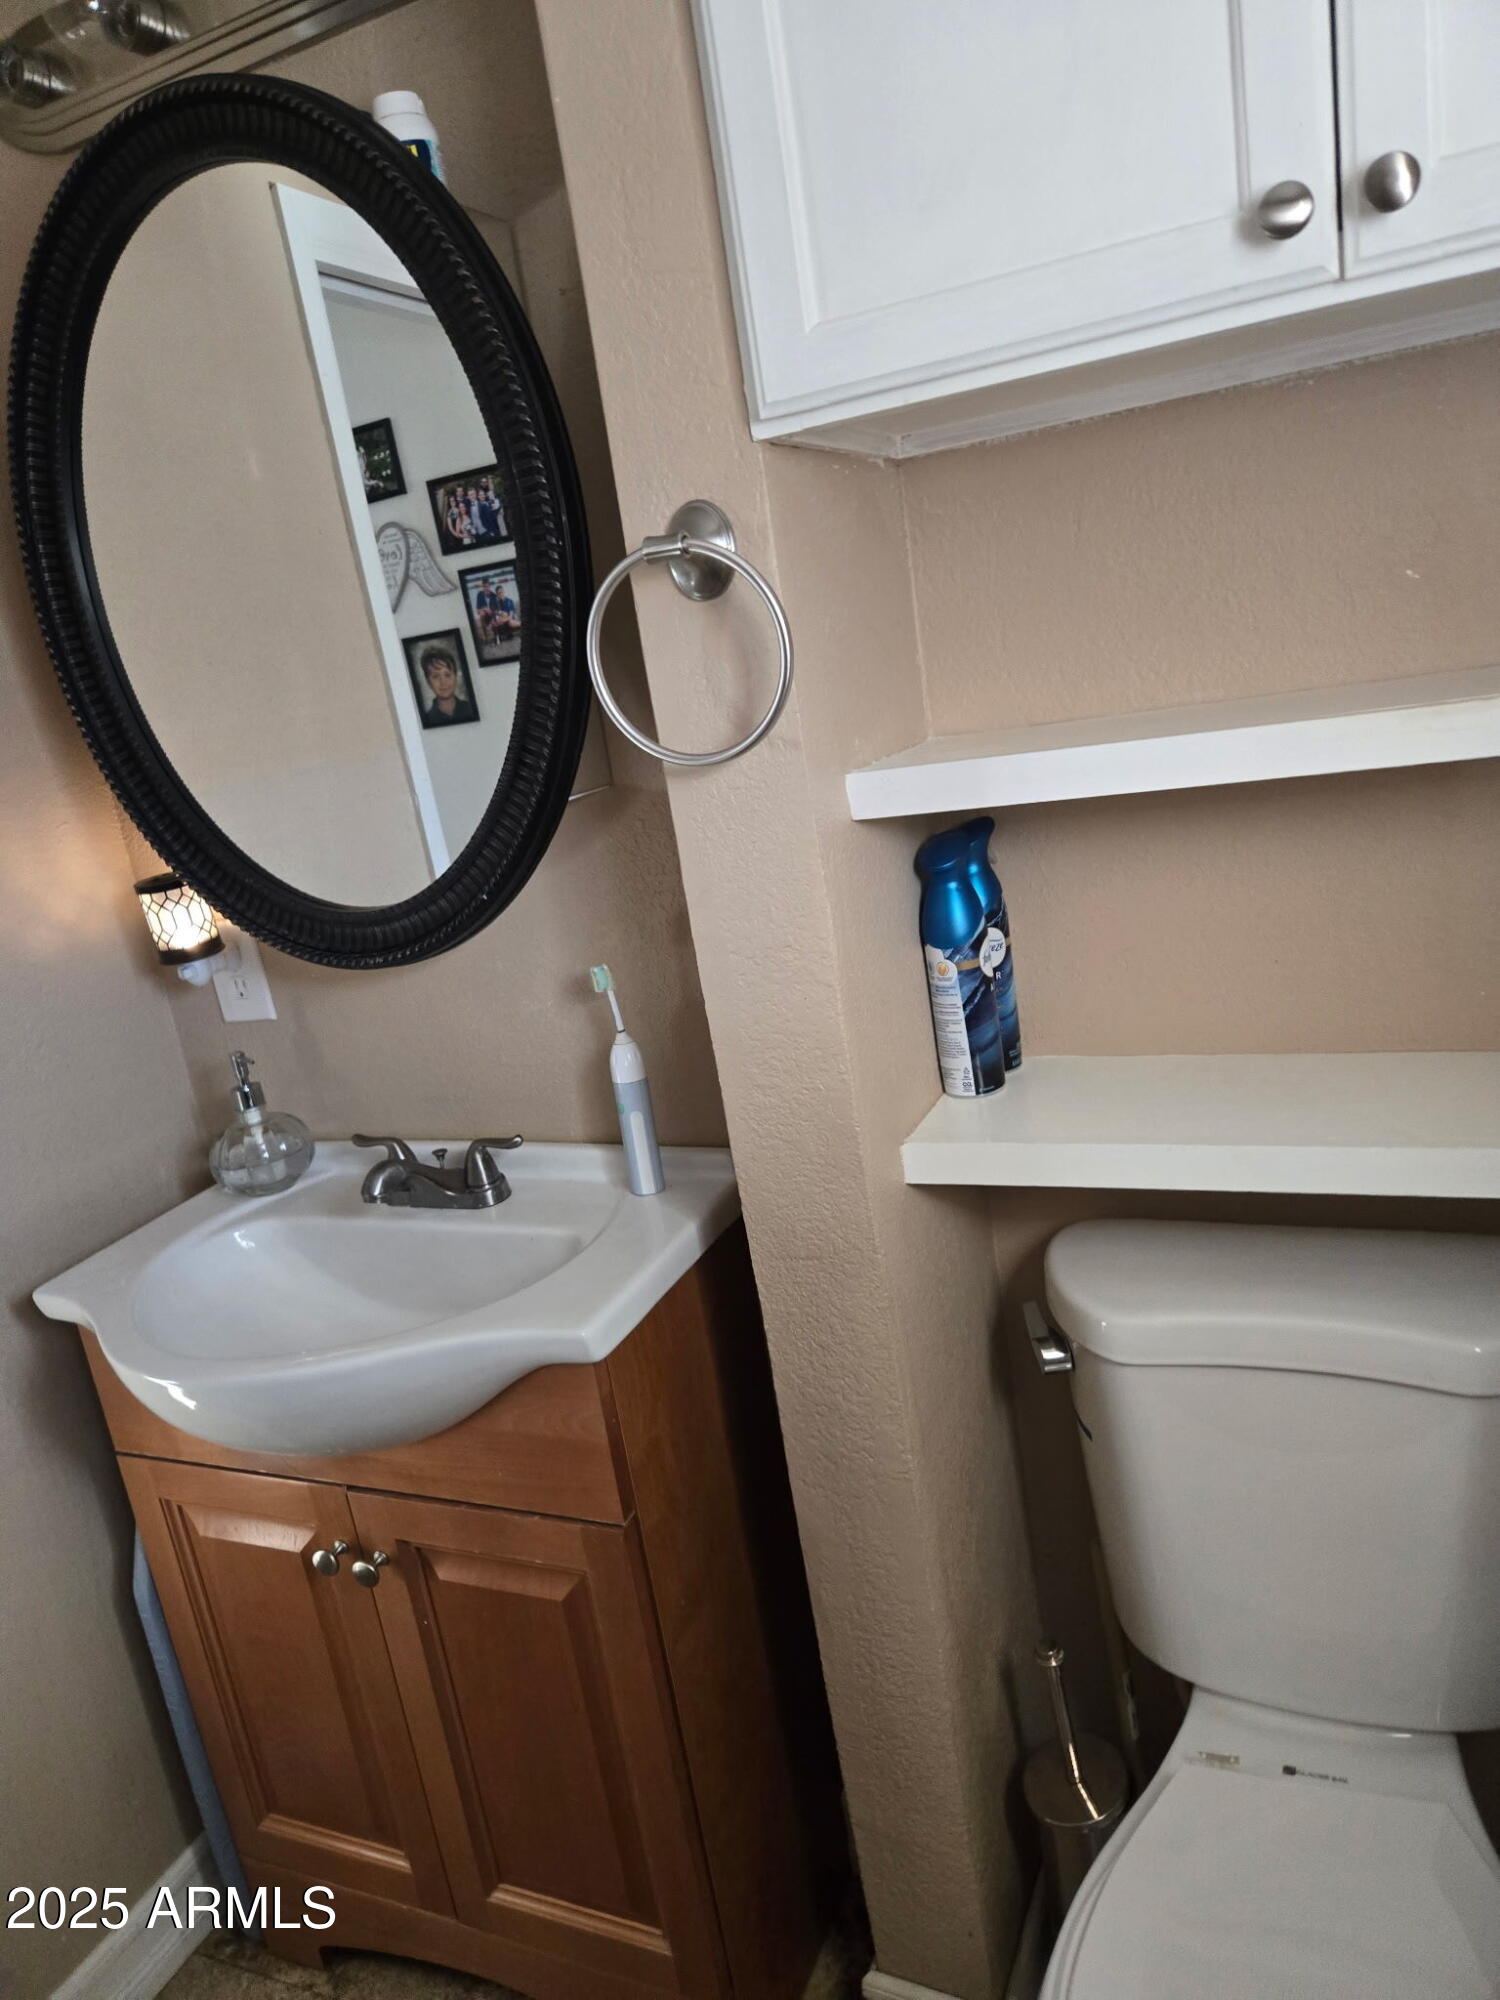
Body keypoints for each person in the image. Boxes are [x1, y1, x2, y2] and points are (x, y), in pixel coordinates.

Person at [419, 643, 477, 726]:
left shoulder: (469, 709)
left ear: (455, 676)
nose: (443, 682)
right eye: (435, 676)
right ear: (428, 682)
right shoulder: (428, 719)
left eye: (447, 675)